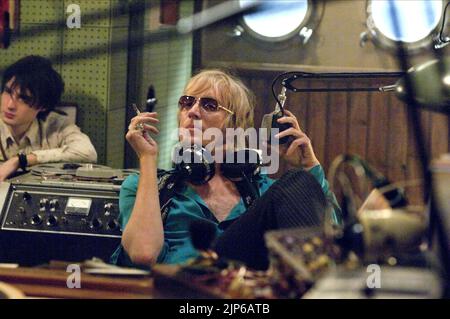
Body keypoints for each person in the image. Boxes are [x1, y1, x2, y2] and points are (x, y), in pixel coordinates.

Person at [112, 69, 340, 270]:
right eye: (187, 102)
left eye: (209, 105)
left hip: (242, 292)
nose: (192, 111)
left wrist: (311, 168)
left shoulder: (264, 192)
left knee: (298, 180)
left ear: (234, 123)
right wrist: (147, 158)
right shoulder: (148, 187)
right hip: (181, 290)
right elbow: (143, 253)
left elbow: (331, 242)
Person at [0, 55, 97, 181]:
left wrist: (21, 160)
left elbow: (87, 153)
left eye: (23, 98)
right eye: (8, 92)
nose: (10, 105)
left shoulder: (56, 125)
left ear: (43, 106)